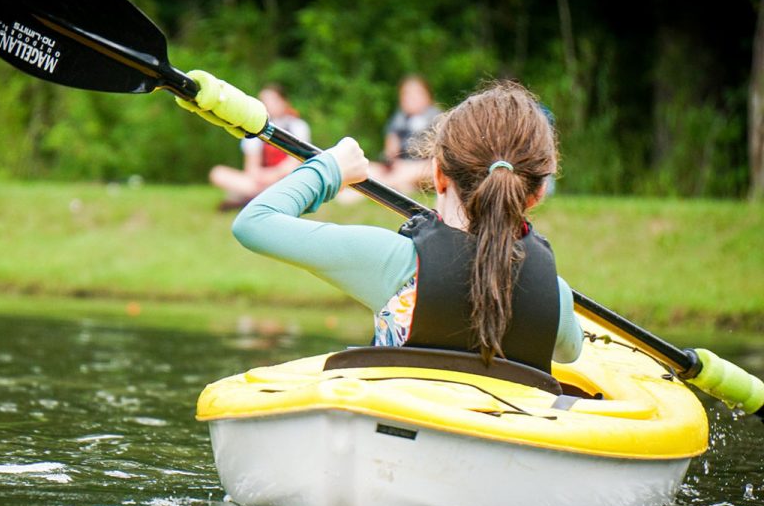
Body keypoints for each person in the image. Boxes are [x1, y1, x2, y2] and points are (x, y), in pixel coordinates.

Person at [231, 81, 583, 371]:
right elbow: (570, 352)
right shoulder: (555, 295)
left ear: (438, 173)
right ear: (537, 193)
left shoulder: (396, 264)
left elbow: (254, 223)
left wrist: (331, 169)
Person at [336, 75, 441, 204]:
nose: (410, 99)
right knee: (369, 167)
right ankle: (394, 186)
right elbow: (390, 150)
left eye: (415, 94)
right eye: (406, 95)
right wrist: (390, 160)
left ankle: (369, 190)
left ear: (427, 96)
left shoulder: (436, 118)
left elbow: (438, 153)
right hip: (400, 165)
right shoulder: (399, 120)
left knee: (412, 170)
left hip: (425, 165)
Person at [209, 84, 311, 211]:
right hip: (260, 182)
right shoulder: (253, 129)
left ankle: (252, 199)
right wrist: (262, 177)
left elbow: (295, 163)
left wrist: (272, 176)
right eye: (264, 101)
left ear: (284, 102)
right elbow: (251, 168)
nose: (268, 105)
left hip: (288, 180)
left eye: (272, 100)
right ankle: (264, 198)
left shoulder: (297, 126)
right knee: (218, 173)